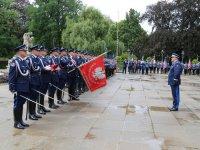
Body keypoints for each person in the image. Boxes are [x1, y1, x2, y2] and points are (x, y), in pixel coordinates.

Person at [8, 45, 30, 129]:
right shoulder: (15, 62)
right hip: (19, 87)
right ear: (20, 52)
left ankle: (20, 121)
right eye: (24, 51)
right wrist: (12, 88)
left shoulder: (24, 61)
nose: (26, 52)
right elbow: (12, 76)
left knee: (21, 104)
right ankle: (16, 123)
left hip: (25, 87)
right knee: (17, 105)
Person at [27, 45, 42, 120]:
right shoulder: (30, 58)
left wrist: (39, 67)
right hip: (32, 81)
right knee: (32, 98)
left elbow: (39, 67)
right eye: (37, 51)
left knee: (35, 97)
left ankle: (34, 112)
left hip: (37, 79)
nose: (38, 52)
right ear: (33, 51)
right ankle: (31, 114)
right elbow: (35, 68)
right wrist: (39, 67)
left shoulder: (37, 58)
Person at [38, 46, 51, 114]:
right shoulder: (39, 59)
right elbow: (39, 68)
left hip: (47, 78)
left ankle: (42, 107)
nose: (45, 52)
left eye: (45, 51)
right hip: (42, 78)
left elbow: (48, 66)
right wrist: (45, 68)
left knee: (43, 93)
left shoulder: (45, 59)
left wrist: (51, 67)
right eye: (44, 51)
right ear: (41, 51)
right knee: (41, 94)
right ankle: (39, 108)